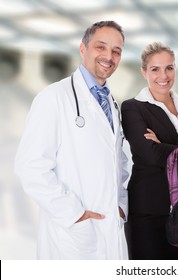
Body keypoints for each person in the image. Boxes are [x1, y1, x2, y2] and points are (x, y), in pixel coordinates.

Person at [14, 21, 129, 259]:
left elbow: (119, 162)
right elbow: (31, 167)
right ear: (83, 49)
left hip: (110, 230)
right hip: (72, 237)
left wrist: (120, 205)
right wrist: (74, 215)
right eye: (101, 47)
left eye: (116, 51)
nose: (109, 56)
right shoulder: (53, 97)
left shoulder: (111, 104)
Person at [121, 42, 178, 260]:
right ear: (144, 72)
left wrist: (163, 146)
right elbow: (150, 155)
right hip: (149, 210)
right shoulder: (132, 108)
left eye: (169, 67)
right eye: (155, 69)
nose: (163, 75)